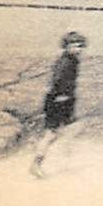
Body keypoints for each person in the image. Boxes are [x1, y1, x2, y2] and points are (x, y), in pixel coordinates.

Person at [32, 31, 86, 177]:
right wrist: (59, 97)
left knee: (67, 130)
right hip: (58, 101)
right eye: (74, 46)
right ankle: (38, 163)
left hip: (66, 100)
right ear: (66, 46)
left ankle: (62, 158)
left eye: (80, 46)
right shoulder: (65, 62)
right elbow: (56, 80)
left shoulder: (73, 61)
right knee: (51, 134)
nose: (78, 49)